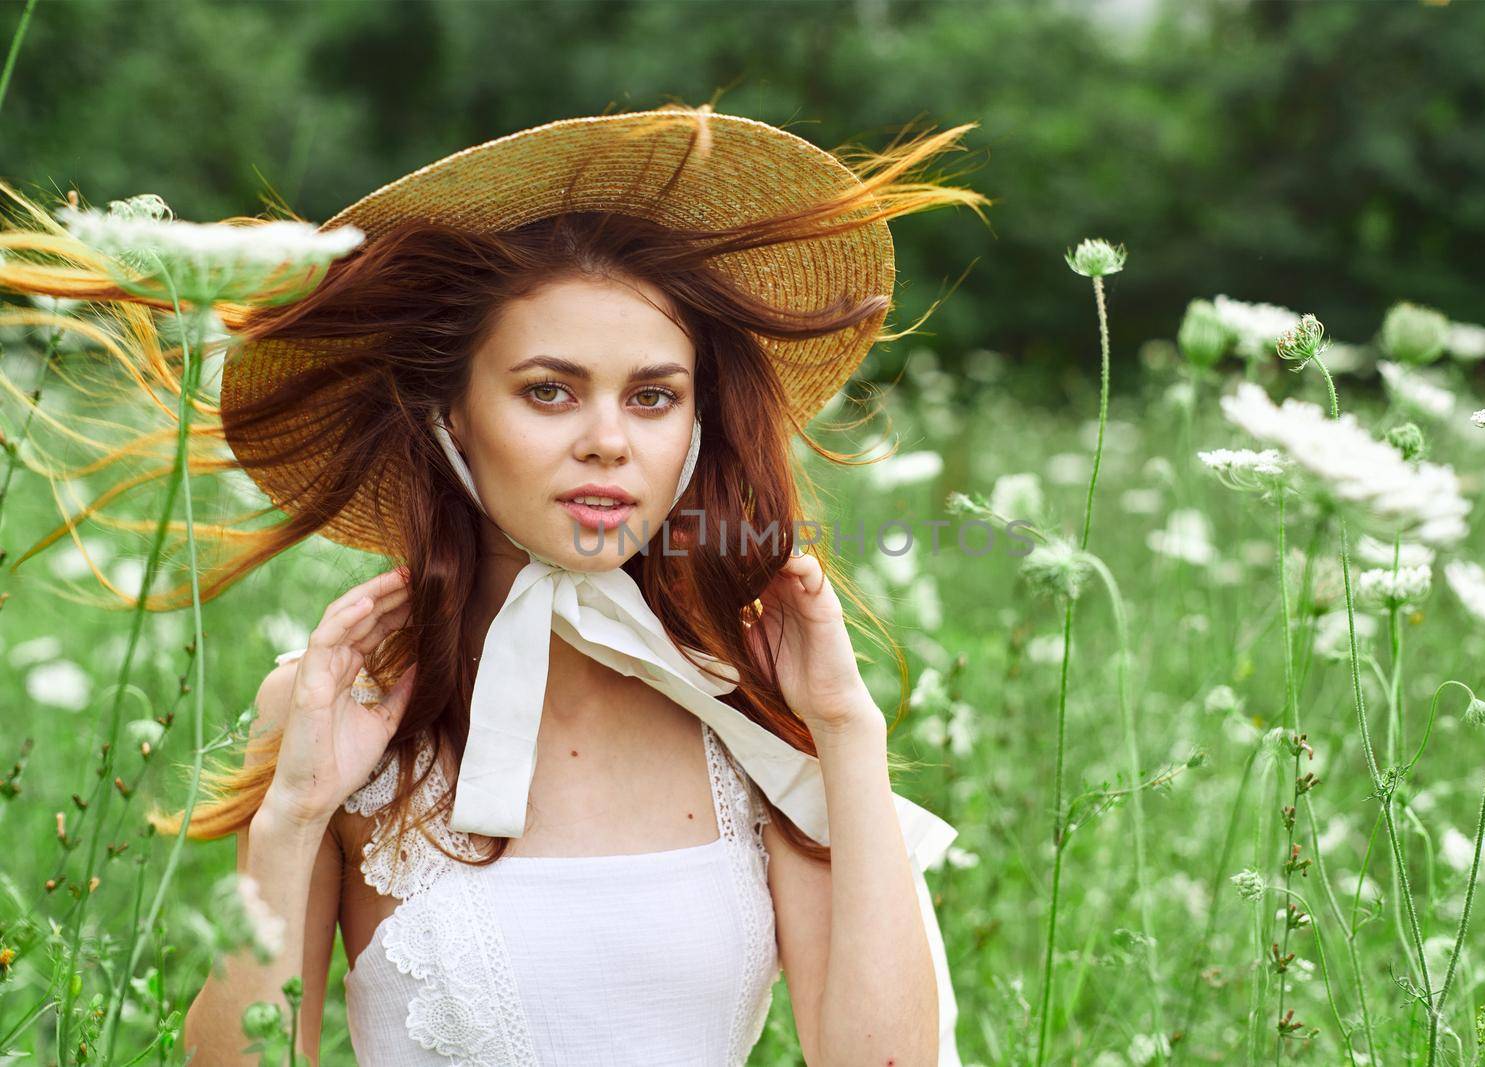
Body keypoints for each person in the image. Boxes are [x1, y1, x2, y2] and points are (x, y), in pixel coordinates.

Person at [29, 104, 990, 1065]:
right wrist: (293, 816)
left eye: (653, 395)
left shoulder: (753, 713)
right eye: (549, 390)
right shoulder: (341, 709)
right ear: (451, 413)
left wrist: (845, 731)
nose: (609, 439)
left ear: (695, 429)